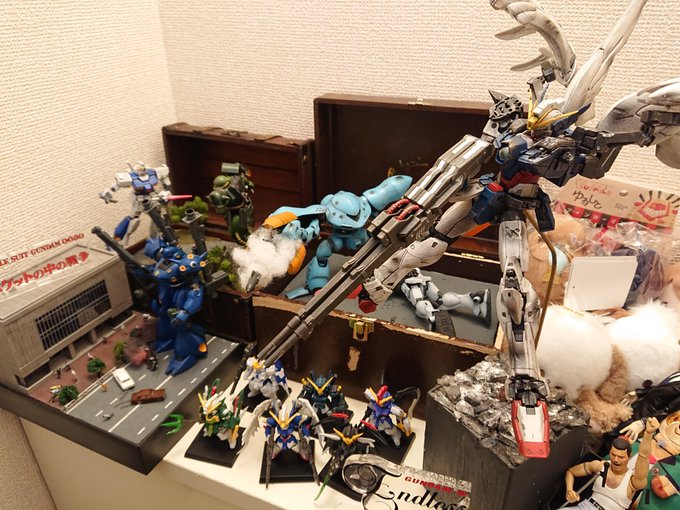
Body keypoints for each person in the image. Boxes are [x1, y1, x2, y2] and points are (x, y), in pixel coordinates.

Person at [565, 418, 659, 509]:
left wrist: (648, 434)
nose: (616, 460)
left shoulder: (633, 481)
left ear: (629, 457)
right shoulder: (600, 466)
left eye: (621, 457)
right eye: (613, 455)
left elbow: (643, 457)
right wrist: (569, 491)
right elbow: (571, 472)